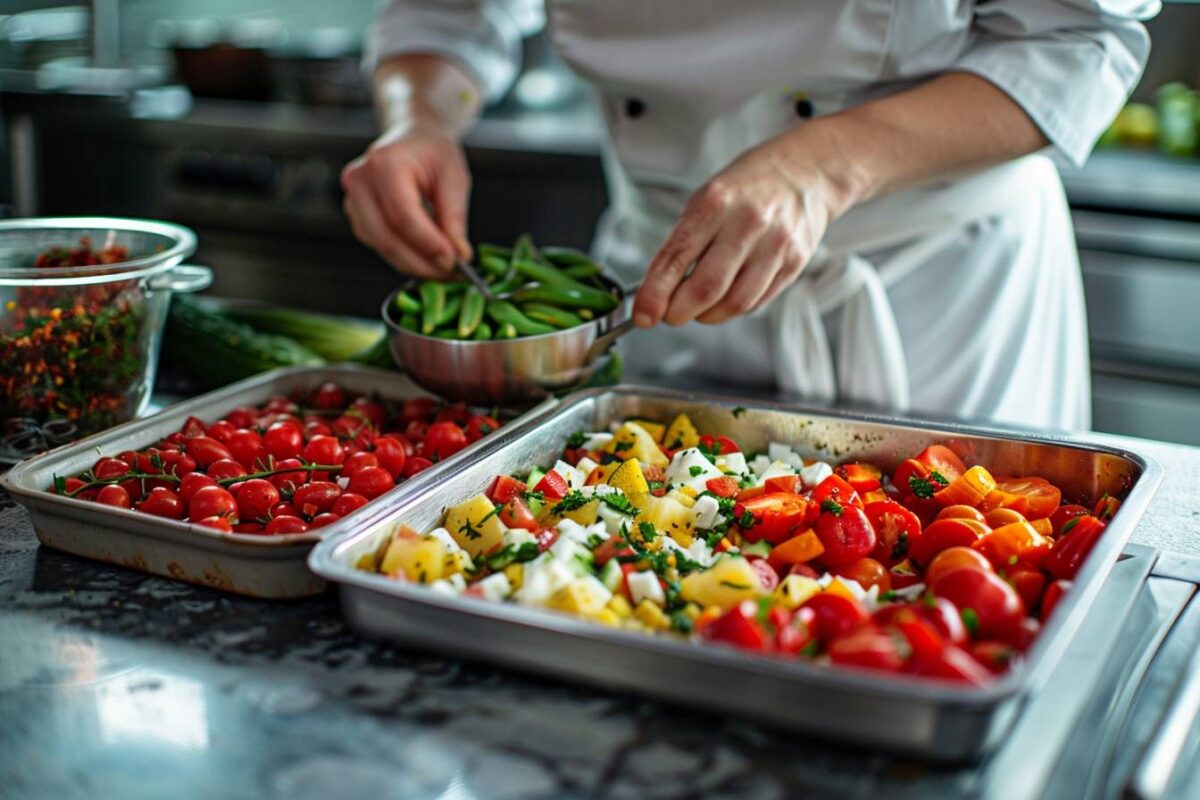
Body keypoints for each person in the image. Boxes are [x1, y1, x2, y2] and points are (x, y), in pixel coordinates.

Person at [341, 1, 1157, 431]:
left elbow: (1082, 39)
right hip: (663, 279)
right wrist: (420, 119)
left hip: (934, 287)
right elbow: (446, 13)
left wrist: (825, 165)